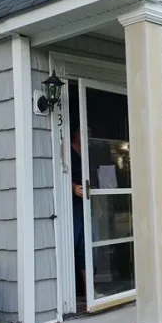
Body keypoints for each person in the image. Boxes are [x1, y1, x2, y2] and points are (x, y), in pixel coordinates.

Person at [71, 127, 86, 298]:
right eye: (84, 131)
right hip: (72, 206)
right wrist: (73, 187)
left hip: (86, 203)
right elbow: (60, 171)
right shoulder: (67, 151)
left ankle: (88, 290)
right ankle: (71, 291)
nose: (88, 136)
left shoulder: (88, 153)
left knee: (87, 247)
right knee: (73, 242)